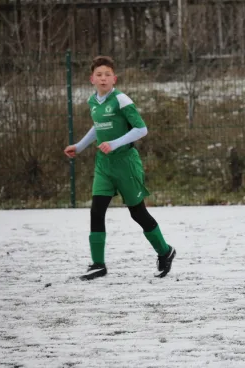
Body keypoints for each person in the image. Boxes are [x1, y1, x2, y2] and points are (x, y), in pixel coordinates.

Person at [63, 56, 176, 281]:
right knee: (96, 211)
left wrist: (114, 143)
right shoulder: (92, 102)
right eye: (99, 74)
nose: (103, 78)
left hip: (126, 163)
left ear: (114, 78)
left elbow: (141, 129)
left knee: (138, 213)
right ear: (91, 79)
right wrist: (80, 146)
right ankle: (98, 264)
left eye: (107, 74)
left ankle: (165, 251)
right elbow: (97, 128)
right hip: (104, 165)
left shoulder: (122, 100)